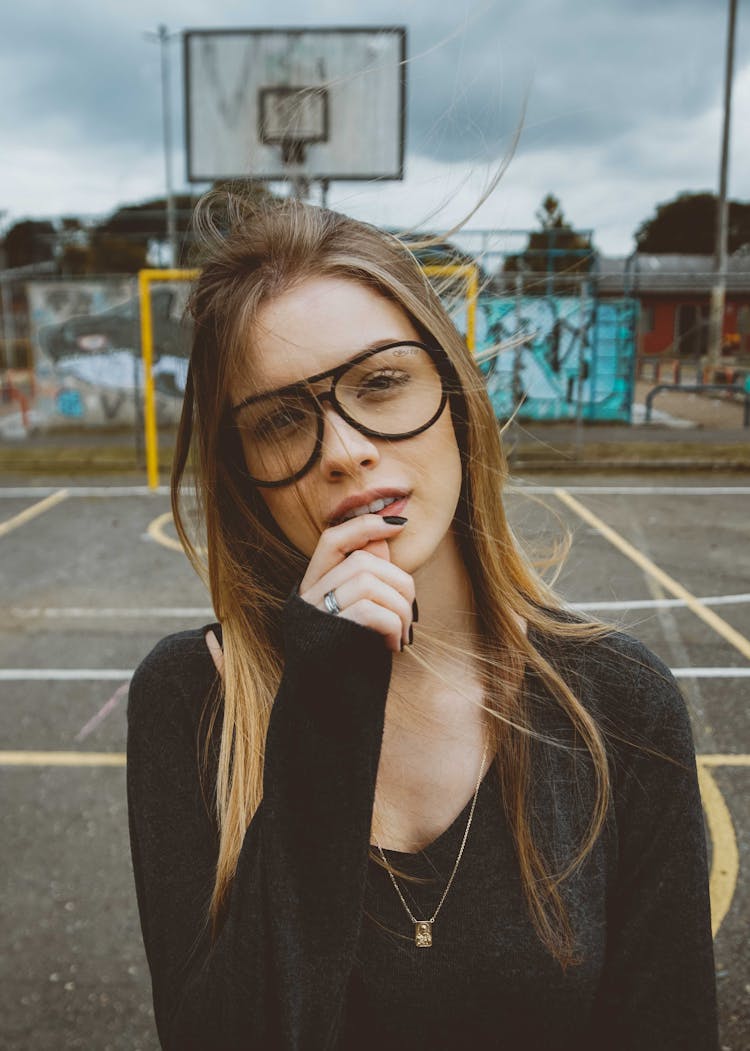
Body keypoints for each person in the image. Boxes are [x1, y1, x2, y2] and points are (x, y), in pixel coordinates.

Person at [126, 192, 719, 1051]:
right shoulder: (191, 701)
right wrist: (325, 706)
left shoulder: (619, 704)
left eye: (380, 381)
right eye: (282, 419)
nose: (343, 449)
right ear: (243, 472)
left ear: (455, 387)